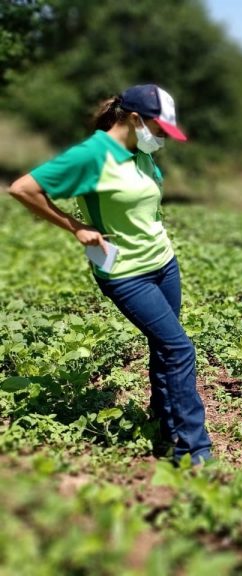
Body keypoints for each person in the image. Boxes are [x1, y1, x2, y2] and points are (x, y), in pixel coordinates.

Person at [8, 84, 212, 464]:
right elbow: (23, 188)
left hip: (163, 264)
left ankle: (168, 428)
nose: (165, 137)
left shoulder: (139, 150)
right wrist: (74, 225)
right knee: (180, 348)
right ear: (134, 119)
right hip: (125, 273)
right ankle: (194, 451)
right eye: (160, 128)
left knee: (166, 348)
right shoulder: (93, 154)